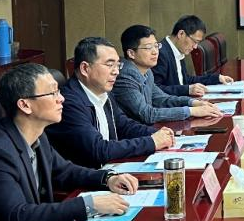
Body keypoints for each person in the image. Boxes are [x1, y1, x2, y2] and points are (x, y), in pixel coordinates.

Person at [0, 63, 141, 221]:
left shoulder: (37, 135)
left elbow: (64, 171)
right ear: (25, 105)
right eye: (52, 93)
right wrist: (88, 205)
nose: (62, 99)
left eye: (58, 91)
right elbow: (17, 215)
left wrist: (107, 178)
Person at [47, 37, 175, 167]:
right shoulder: (69, 103)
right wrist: (151, 142)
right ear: (85, 68)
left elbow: (124, 125)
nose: (116, 72)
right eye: (109, 65)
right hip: (86, 176)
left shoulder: (103, 92)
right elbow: (98, 149)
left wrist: (156, 133)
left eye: (118, 65)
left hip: (109, 171)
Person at [115, 24, 223, 124]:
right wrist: (191, 111)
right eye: (148, 47)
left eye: (156, 46)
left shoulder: (147, 71)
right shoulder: (125, 76)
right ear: (131, 53)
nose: (155, 52)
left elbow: (162, 99)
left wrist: (193, 102)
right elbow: (147, 114)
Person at [153, 14, 233, 96]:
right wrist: (187, 90)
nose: (195, 47)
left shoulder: (176, 49)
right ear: (181, 34)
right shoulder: (161, 54)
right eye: (195, 41)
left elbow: (185, 80)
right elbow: (155, 90)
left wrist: (217, 78)